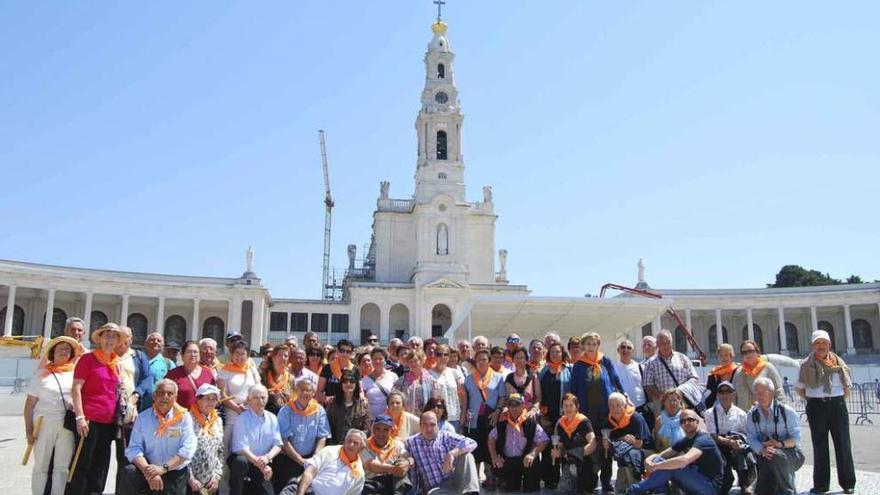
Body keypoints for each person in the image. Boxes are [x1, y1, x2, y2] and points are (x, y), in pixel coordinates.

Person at [796, 329, 855, 494]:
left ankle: (848, 483)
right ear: (812, 346)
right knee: (820, 445)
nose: (821, 346)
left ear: (829, 344)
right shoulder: (805, 364)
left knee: (843, 444)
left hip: (837, 405)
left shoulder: (839, 362)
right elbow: (799, 389)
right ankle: (821, 484)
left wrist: (839, 400)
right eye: (817, 343)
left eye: (824, 343)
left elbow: (847, 386)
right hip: (816, 406)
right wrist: (813, 399)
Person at [68, 322, 122, 495]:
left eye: (114, 336)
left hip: (108, 421)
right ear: (99, 338)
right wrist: (80, 417)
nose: (110, 339)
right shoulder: (88, 359)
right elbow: (76, 388)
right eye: (107, 335)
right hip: (89, 420)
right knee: (83, 462)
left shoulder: (115, 362)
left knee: (101, 464)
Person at [24, 336, 81, 495]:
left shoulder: (75, 373)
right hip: (44, 424)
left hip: (66, 425)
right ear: (52, 352)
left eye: (67, 349)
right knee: (41, 465)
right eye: (60, 348)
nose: (64, 351)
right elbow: (29, 405)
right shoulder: (42, 374)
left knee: (62, 467)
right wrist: (28, 430)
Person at [571, 331, 624, 493]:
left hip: (605, 411)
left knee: (606, 446)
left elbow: (615, 380)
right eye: (588, 344)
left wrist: (623, 395)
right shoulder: (579, 365)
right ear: (583, 346)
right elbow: (573, 389)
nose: (591, 347)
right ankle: (590, 481)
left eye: (594, 344)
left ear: (598, 345)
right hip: (587, 412)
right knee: (589, 446)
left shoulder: (605, 361)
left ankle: (606, 482)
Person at [123, 379, 197, 495]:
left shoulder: (184, 417)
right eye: (161, 393)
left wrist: (163, 469)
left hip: (174, 470)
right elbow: (134, 449)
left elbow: (187, 450)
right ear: (154, 396)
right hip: (149, 469)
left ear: (175, 397)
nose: (165, 397)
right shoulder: (143, 418)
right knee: (129, 471)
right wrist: (149, 471)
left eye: (169, 394)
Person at [625, 409, 724, 495]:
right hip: (697, 480)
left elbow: (684, 460)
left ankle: (634, 490)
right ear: (680, 424)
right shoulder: (687, 439)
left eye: (690, 419)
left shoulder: (703, 439)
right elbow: (661, 455)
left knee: (673, 467)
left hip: (710, 487)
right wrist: (649, 460)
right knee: (658, 460)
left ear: (697, 422)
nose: (686, 423)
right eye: (683, 421)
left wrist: (656, 466)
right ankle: (660, 491)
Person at [745, 377, 804, 495]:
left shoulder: (787, 412)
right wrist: (762, 449)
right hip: (765, 455)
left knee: (774, 454)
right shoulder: (752, 414)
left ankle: (787, 491)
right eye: (756, 393)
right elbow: (750, 438)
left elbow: (796, 438)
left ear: (771, 393)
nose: (759, 396)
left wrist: (779, 444)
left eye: (762, 393)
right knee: (769, 456)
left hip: (792, 454)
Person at [276, 380, 331, 493]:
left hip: (311, 458)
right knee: (289, 488)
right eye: (301, 389)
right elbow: (284, 440)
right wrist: (301, 461)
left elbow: (322, 437)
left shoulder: (319, 410)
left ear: (313, 393)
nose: (304, 393)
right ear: (296, 391)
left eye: (308, 390)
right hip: (289, 458)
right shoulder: (286, 411)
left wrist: (314, 459)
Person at [405, 411, 480, 495]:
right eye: (425, 424)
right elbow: (413, 472)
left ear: (438, 426)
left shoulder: (446, 436)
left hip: (456, 480)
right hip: (437, 489)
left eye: (432, 424)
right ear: (420, 426)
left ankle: (470, 492)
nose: (428, 429)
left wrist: (452, 453)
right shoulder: (411, 443)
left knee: (467, 455)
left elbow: (472, 443)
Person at [488, 393, 550, 492]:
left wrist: (532, 454)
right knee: (510, 489)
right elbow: (491, 438)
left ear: (523, 406)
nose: (514, 408)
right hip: (508, 460)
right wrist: (494, 456)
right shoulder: (502, 421)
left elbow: (544, 440)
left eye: (517, 405)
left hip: (526, 460)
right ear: (508, 407)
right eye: (511, 405)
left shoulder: (530, 422)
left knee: (531, 489)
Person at [462, 349, 504, 489]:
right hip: (473, 420)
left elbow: (502, 396)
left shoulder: (498, 377)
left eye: (484, 359)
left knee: (490, 446)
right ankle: (473, 480)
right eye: (478, 359)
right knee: (475, 447)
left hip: (490, 418)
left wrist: (498, 411)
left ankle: (490, 476)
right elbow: (465, 398)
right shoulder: (468, 378)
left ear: (489, 361)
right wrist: (465, 413)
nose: (481, 362)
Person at [228, 385, 283, 495]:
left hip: (264, 462)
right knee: (240, 462)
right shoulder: (241, 419)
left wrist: (267, 458)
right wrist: (261, 464)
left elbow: (278, 445)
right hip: (247, 462)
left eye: (263, 397)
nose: (260, 401)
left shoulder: (273, 418)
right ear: (249, 400)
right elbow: (241, 449)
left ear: (267, 398)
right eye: (256, 398)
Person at [705, 381, 755, 495]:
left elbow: (746, 434)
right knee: (726, 480)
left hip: (736, 446)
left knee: (749, 458)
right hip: (718, 447)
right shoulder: (710, 413)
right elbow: (713, 435)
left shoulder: (741, 414)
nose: (725, 395)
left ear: (733, 394)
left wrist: (737, 441)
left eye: (728, 392)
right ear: (717, 395)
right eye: (721, 392)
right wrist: (729, 441)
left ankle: (745, 485)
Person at [284, 429, 367, 495]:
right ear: (345, 441)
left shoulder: (360, 474)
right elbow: (309, 472)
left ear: (362, 448)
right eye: (349, 441)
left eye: (355, 443)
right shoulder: (329, 451)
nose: (351, 445)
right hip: (307, 490)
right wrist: (300, 493)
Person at [602, 392, 653, 493]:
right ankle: (615, 487)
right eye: (611, 405)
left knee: (628, 455)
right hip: (623, 453)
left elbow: (639, 444)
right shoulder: (607, 421)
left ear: (624, 406)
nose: (614, 409)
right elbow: (608, 444)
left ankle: (634, 487)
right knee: (614, 454)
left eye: (618, 405)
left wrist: (621, 443)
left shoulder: (635, 418)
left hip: (646, 451)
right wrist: (621, 439)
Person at [538, 342, 572, 489]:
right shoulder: (543, 371)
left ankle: (565, 479)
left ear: (562, 353)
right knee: (548, 449)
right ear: (548, 354)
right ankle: (549, 479)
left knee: (564, 447)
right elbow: (539, 394)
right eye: (552, 352)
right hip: (548, 417)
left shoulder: (568, 370)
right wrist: (542, 416)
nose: (555, 354)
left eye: (558, 352)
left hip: (565, 416)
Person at [642, 330, 699, 413]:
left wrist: (682, 390)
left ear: (671, 342)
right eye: (662, 343)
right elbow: (647, 384)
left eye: (668, 342)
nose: (666, 346)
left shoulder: (683, 358)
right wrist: (661, 396)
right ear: (657, 345)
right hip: (664, 405)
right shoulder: (650, 363)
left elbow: (694, 378)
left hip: (684, 402)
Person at [217, 340, 261, 446]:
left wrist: (246, 404)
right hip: (231, 413)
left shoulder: (252, 370)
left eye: (243, 354)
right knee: (227, 442)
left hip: (249, 410)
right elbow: (223, 395)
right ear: (232, 354)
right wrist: (237, 409)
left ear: (248, 356)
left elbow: (258, 390)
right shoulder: (224, 371)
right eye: (237, 353)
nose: (239, 357)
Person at [551, 392, 597, 493]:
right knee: (562, 492)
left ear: (577, 407)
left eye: (571, 405)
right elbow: (561, 448)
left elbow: (593, 444)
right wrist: (559, 452)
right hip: (568, 464)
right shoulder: (560, 424)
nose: (568, 408)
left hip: (584, 463)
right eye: (565, 406)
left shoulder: (584, 422)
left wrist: (576, 454)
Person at [361, 415, 413, 495]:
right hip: (372, 483)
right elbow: (372, 465)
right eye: (377, 429)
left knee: (401, 462)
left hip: (393, 484)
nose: (381, 433)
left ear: (391, 431)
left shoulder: (397, 445)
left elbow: (407, 457)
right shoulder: (364, 445)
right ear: (373, 430)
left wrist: (408, 463)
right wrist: (396, 469)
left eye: (385, 430)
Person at [188, 384, 225, 495]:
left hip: (211, 482)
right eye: (207, 398)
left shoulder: (218, 421)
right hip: (191, 481)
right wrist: (190, 478)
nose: (210, 402)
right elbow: (181, 452)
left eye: (214, 399)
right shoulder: (187, 419)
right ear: (198, 400)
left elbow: (220, 451)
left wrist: (216, 477)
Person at [734, 340, 786, 411]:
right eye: (744, 353)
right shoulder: (738, 372)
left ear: (757, 352)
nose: (747, 354)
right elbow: (733, 395)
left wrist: (781, 410)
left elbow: (778, 391)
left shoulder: (768, 368)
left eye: (750, 351)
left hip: (765, 415)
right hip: (744, 416)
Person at [166, 340, 215, 409]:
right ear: (182, 355)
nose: (193, 355)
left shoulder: (208, 374)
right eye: (189, 352)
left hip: (203, 417)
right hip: (181, 417)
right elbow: (166, 397)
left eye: (195, 352)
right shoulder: (173, 374)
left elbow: (214, 396)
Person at [428, 344, 466, 431]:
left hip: (454, 417)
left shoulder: (455, 373)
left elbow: (463, 395)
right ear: (434, 356)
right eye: (439, 354)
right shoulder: (428, 374)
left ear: (449, 357)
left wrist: (463, 415)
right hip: (436, 417)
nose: (442, 357)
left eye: (445, 354)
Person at [328, 370, 372, 444]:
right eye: (345, 381)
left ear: (356, 384)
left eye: (352, 381)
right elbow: (329, 428)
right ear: (341, 384)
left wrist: (355, 443)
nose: (348, 384)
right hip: (336, 446)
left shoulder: (363, 404)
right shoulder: (333, 403)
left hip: (356, 446)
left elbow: (366, 430)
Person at [504, 346, 542, 419]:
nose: (519, 360)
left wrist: (533, 410)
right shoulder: (509, 378)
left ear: (526, 360)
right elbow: (507, 399)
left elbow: (538, 398)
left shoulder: (533, 377)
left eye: (522, 357)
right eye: (516, 358)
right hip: (513, 416)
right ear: (513, 360)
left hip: (529, 415)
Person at [393, 349, 434, 414]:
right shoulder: (402, 380)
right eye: (410, 361)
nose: (413, 364)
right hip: (408, 416)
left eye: (415, 361)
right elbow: (395, 397)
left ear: (422, 361)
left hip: (426, 416)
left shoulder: (431, 380)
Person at [363, 347, 400, 419]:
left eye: (380, 359)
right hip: (371, 419)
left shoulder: (393, 376)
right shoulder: (365, 380)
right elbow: (363, 402)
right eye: (375, 359)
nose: (377, 361)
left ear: (385, 360)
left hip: (389, 417)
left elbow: (397, 397)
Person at [142, 332, 175, 410]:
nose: (155, 341)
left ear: (163, 346)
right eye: (152, 340)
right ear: (145, 344)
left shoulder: (168, 364)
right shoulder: (137, 360)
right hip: (137, 405)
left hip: (159, 407)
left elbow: (173, 386)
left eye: (159, 340)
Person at [317, 339, 356, 404]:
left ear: (351, 353)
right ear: (337, 352)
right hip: (331, 408)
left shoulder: (355, 369)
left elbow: (360, 392)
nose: (345, 354)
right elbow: (318, 393)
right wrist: (326, 399)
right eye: (342, 351)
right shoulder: (327, 368)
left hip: (349, 408)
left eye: (348, 351)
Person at [613, 339, 645, 410]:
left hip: (641, 406)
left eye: (629, 348)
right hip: (622, 408)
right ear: (618, 350)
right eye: (623, 347)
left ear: (632, 351)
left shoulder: (640, 367)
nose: (626, 350)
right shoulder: (613, 369)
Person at [706, 343, 739, 408]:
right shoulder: (713, 373)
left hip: (736, 406)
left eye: (726, 355)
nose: (724, 358)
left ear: (731, 357)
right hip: (717, 407)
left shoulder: (738, 371)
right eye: (721, 356)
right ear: (718, 357)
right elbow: (710, 395)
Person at [262, 344, 293, 414]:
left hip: (285, 415)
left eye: (286, 356)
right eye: (279, 355)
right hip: (265, 415)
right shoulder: (263, 376)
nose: (283, 358)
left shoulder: (291, 378)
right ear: (273, 357)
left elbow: (294, 398)